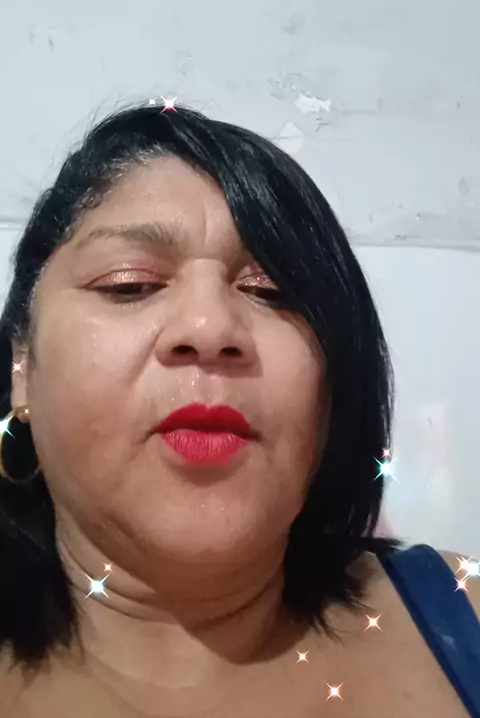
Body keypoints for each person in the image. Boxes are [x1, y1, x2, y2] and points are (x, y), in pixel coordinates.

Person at [0, 102, 478, 718]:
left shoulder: (463, 613)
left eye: (269, 291)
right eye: (129, 284)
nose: (209, 327)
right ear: (21, 368)